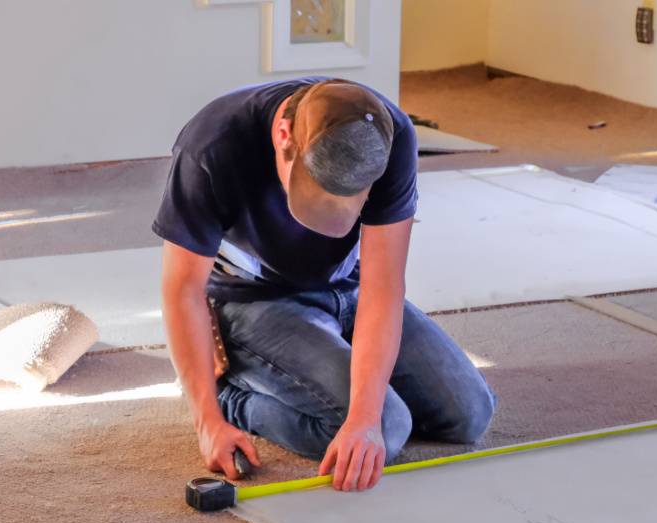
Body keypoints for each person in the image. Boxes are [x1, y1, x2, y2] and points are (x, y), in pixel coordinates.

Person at [153, 77, 496, 492]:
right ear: (283, 137)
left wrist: (363, 419)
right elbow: (182, 290)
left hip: (347, 288)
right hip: (252, 303)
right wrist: (207, 420)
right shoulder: (211, 146)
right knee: (390, 429)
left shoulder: (391, 137)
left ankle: (334, 382)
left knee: (468, 414)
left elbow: (382, 287)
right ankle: (233, 398)